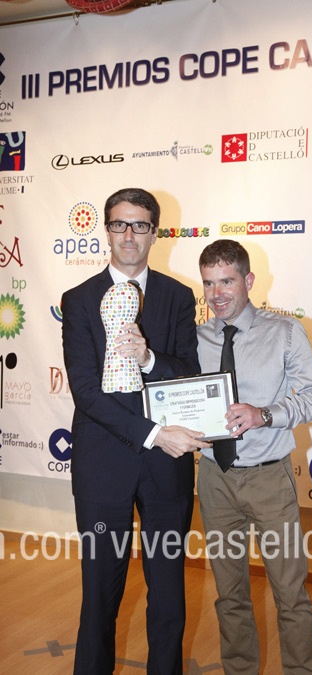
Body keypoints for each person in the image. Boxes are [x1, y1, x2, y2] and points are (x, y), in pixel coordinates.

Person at [61, 187, 211, 675]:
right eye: (119, 224)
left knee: (167, 590)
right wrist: (152, 434)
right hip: (103, 464)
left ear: (154, 232)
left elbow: (187, 370)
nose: (129, 235)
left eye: (140, 225)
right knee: (100, 589)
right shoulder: (78, 300)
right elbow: (86, 391)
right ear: (106, 230)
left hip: (165, 467)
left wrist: (148, 359)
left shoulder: (177, 296)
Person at [196, 239, 312, 675]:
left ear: (248, 280)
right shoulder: (195, 338)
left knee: (290, 594)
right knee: (229, 595)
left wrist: (265, 415)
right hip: (214, 477)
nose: (217, 294)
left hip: (269, 478)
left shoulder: (285, 332)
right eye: (209, 283)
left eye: (227, 281)